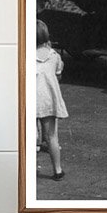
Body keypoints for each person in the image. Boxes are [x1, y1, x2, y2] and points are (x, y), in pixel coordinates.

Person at [35, 19, 68, 181]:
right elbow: (58, 74)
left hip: (32, 100)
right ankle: (57, 170)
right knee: (52, 136)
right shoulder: (54, 56)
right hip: (49, 101)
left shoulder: (26, 55)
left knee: (31, 136)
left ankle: (31, 168)